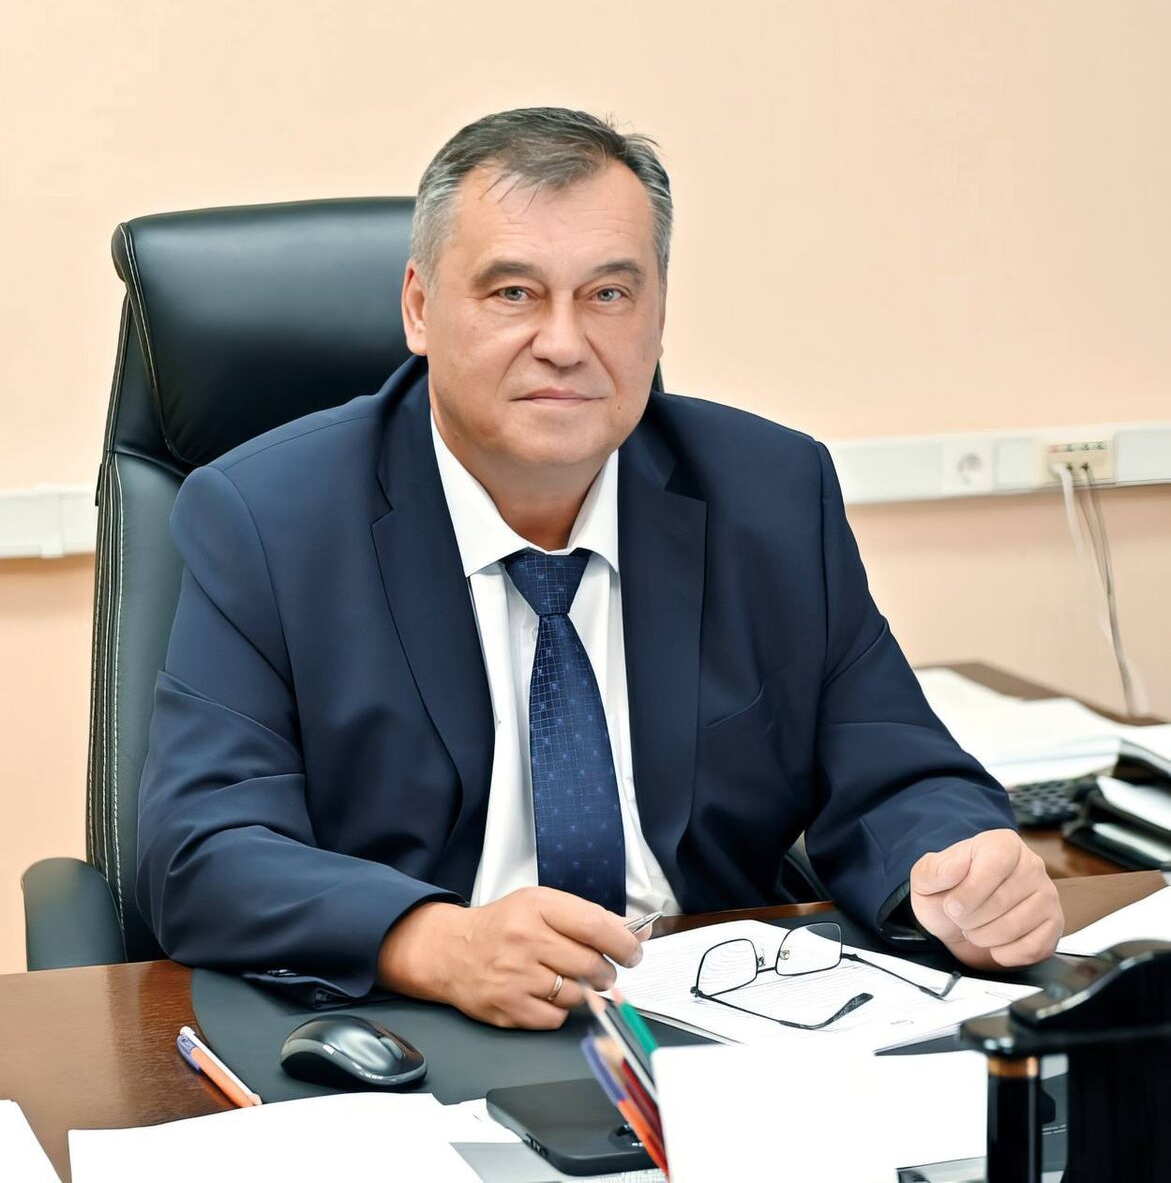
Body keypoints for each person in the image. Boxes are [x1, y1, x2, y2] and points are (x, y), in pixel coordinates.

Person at [136, 107, 1062, 1030]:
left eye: (608, 295)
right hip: (415, 1021)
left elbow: (897, 768)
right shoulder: (269, 517)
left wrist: (956, 870)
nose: (564, 343)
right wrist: (432, 941)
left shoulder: (772, 492)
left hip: (722, 1008)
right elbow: (203, 849)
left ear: (657, 312)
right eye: (513, 293)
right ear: (419, 307)